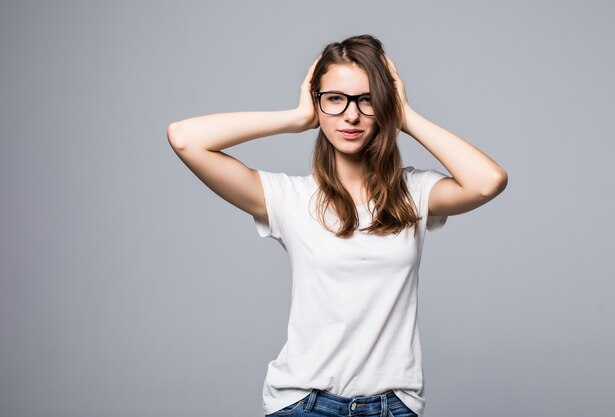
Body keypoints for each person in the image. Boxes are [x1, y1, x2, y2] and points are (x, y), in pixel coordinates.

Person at [167, 34, 507, 417]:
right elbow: (184, 138)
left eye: (366, 99)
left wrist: (406, 116)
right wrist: (296, 118)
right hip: (304, 404)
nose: (351, 115)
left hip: (393, 406)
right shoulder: (288, 198)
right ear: (317, 103)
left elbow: (487, 181)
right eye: (335, 99)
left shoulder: (413, 193)